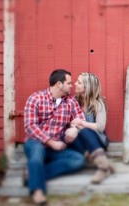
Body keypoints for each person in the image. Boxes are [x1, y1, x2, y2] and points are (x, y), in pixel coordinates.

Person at [24, 69, 86, 205]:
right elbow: (30, 126)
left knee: (78, 160)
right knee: (36, 156)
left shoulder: (71, 102)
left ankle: (33, 175)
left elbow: (80, 119)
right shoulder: (35, 98)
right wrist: (50, 142)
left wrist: (75, 129)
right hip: (36, 143)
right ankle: (38, 190)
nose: (72, 86)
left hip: (57, 147)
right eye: (69, 83)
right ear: (59, 84)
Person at [69, 72, 114, 184]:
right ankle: (105, 165)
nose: (75, 84)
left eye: (79, 82)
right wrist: (73, 126)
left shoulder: (98, 103)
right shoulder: (74, 101)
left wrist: (82, 123)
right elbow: (69, 120)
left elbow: (100, 127)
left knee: (85, 131)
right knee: (67, 135)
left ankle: (103, 168)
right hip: (81, 141)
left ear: (87, 87)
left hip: (97, 140)